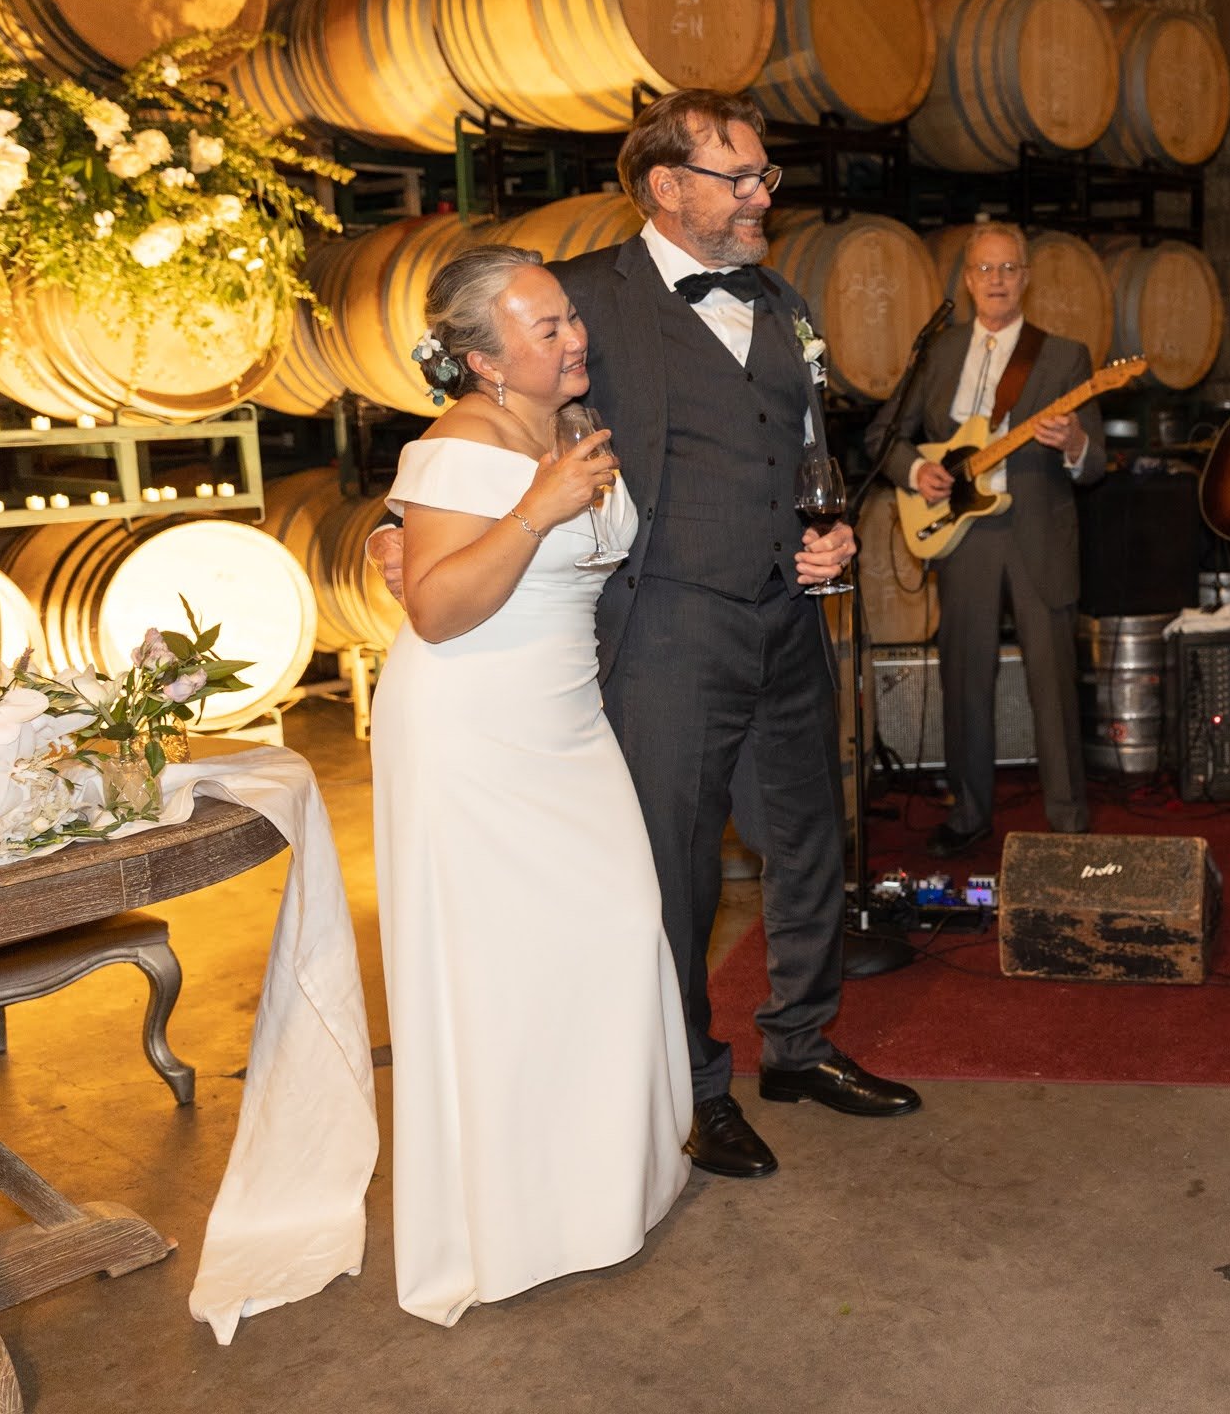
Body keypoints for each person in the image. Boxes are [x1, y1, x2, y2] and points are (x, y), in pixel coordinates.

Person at [373, 90, 918, 1185]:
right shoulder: (581, 302)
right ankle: (697, 1086)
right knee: (675, 869)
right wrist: (394, 521)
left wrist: (832, 538)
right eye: (743, 177)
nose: (765, 194)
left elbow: (803, 445)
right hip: (664, 622)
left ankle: (802, 1044)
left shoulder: (781, 298)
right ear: (669, 187)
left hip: (786, 617)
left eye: (765, 175)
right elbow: (471, 413)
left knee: (811, 839)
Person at [369, 245, 691, 1324]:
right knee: (497, 972)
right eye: (545, 327)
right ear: (480, 358)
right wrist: (537, 512)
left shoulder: (564, 426)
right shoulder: (458, 448)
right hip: (471, 728)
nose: (573, 337)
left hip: (564, 720)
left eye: (568, 318)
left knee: (613, 924)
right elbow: (438, 607)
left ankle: (602, 1195)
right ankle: (512, 1222)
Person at [868, 221, 1104, 859]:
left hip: (1037, 532)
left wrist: (1076, 445)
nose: (996, 280)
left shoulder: (1064, 356)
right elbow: (883, 436)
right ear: (967, 280)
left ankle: (1069, 825)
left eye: (1009, 269)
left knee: (1053, 683)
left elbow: (1098, 458)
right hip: (963, 537)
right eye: (985, 270)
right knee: (964, 680)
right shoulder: (940, 351)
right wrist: (919, 471)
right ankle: (969, 814)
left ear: (1026, 278)